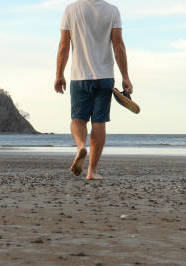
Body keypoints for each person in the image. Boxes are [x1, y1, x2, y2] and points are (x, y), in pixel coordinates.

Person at [55, 0, 133, 180]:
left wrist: (59, 74)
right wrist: (125, 76)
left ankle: (81, 146)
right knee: (99, 123)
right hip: (105, 77)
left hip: (79, 76)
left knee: (78, 120)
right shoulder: (112, 11)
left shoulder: (71, 10)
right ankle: (92, 171)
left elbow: (64, 46)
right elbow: (118, 45)